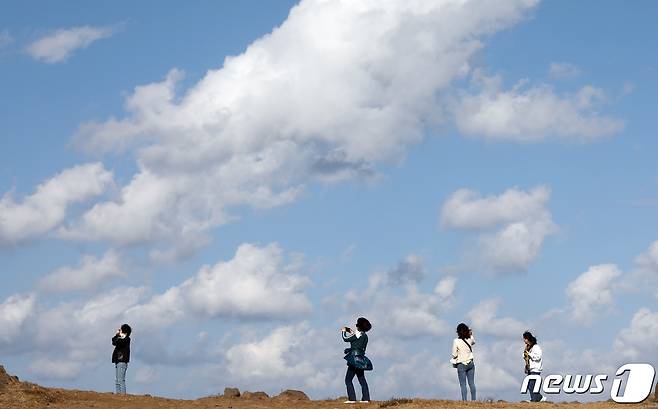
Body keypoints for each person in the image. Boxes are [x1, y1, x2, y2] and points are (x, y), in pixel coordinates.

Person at [341, 317, 372, 404]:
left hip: (353, 360)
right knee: (362, 379)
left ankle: (352, 399)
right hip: (361, 359)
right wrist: (349, 349)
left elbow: (345, 338)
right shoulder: (365, 336)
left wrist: (344, 330)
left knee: (348, 380)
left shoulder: (357, 335)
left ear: (359, 326)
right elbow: (359, 348)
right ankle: (366, 398)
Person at [451, 323, 476, 401]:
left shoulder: (456, 341)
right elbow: (473, 342)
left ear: (457, 332)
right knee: (471, 383)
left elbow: (454, 354)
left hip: (461, 364)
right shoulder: (470, 339)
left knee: (463, 384)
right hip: (470, 363)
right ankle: (474, 400)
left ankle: (464, 401)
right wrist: (471, 334)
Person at [523, 331, 546, 402]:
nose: (524, 340)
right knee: (529, 385)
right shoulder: (528, 347)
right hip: (530, 369)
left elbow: (538, 357)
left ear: (527, 338)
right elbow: (525, 357)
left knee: (532, 385)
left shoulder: (536, 347)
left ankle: (535, 399)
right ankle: (538, 398)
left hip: (536, 369)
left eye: (524, 338)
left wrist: (529, 354)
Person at [112, 324, 132, 394]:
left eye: (121, 330)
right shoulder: (122, 338)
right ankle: (119, 395)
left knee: (120, 380)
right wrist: (117, 335)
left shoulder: (127, 339)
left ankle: (123, 396)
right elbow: (114, 342)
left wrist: (119, 335)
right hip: (118, 361)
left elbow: (118, 342)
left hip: (122, 362)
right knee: (117, 381)